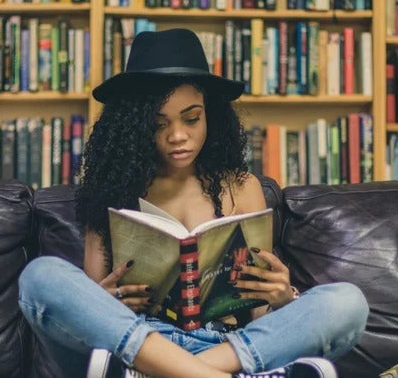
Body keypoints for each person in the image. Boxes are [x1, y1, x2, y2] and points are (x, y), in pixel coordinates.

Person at [18, 28, 369, 378]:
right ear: (136, 126)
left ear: (210, 115)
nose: (178, 136)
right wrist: (108, 299)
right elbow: (94, 310)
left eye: (191, 118)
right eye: (159, 123)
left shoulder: (242, 188)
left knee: (346, 303)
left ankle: (176, 373)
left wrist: (281, 297)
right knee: (40, 277)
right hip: (140, 342)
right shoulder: (111, 191)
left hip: (228, 346)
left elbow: (258, 313)